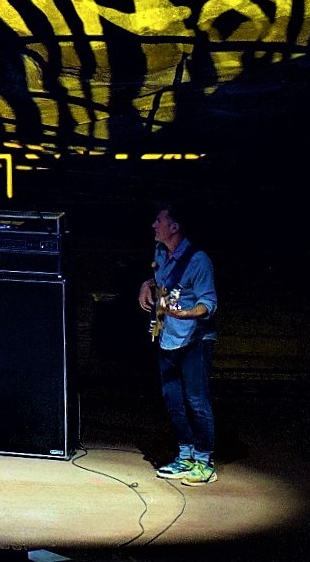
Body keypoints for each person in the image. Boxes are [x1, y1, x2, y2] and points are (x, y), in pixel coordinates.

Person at [138, 203, 218, 485]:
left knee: (196, 400)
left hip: (195, 339)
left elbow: (208, 303)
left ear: (174, 227)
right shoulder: (161, 252)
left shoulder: (199, 261)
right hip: (168, 336)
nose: (153, 225)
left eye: (159, 221)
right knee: (173, 399)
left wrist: (185, 314)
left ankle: (204, 461)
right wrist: (147, 284)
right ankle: (185, 455)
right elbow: (163, 280)